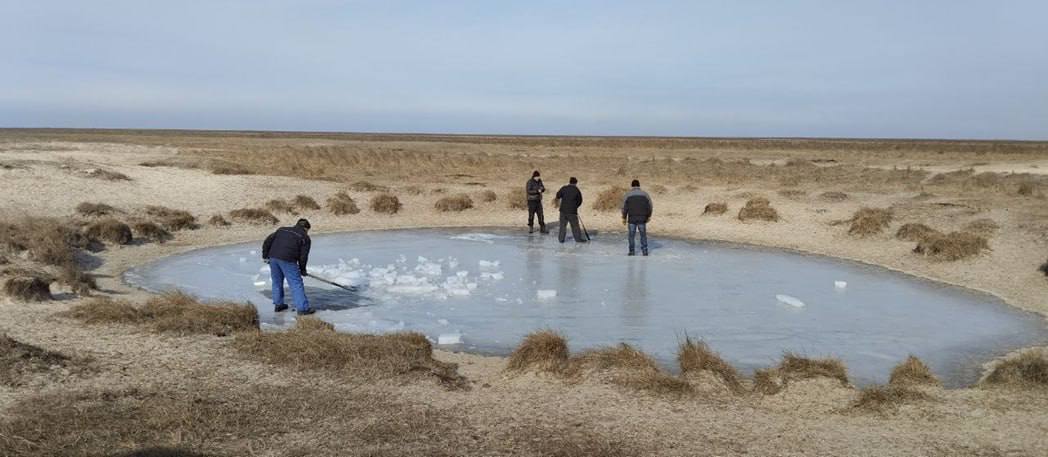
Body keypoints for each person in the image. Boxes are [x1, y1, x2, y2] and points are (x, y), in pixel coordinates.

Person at [262, 218, 315, 315]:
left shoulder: (282, 230)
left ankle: (278, 305)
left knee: (277, 282)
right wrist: (302, 270)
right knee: (296, 283)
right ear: (306, 229)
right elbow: (303, 257)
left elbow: (267, 242)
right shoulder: (305, 238)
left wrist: (265, 256)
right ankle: (303, 308)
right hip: (288, 260)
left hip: (273, 257)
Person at [621, 179, 653, 256]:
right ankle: (645, 251)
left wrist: (624, 217)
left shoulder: (628, 195)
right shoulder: (645, 194)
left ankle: (632, 251)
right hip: (642, 219)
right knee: (643, 235)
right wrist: (648, 216)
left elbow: (624, 207)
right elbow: (650, 206)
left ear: (632, 186)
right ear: (639, 185)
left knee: (631, 236)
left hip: (631, 219)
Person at [554, 177, 587, 243]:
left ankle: (561, 239)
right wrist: (575, 206)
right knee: (575, 226)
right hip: (572, 212)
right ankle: (578, 239)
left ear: (570, 182)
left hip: (563, 211)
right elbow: (580, 200)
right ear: (575, 183)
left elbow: (557, 195)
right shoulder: (576, 190)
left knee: (562, 226)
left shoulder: (564, 188)